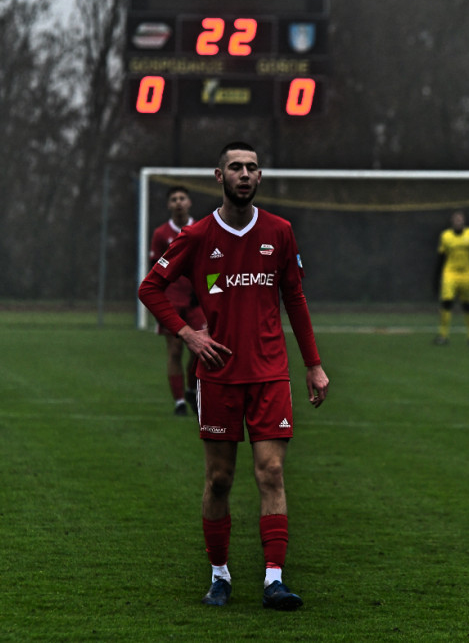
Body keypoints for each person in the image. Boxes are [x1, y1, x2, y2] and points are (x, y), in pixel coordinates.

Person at [139, 141, 330, 610]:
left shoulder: (280, 231)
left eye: (252, 168)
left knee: (271, 472)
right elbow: (150, 287)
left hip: (269, 374)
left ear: (259, 178)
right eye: (235, 168)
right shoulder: (198, 236)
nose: (245, 174)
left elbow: (296, 301)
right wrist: (188, 334)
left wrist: (313, 364)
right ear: (219, 176)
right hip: (218, 377)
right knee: (220, 479)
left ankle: (273, 580)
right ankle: (219, 576)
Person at [149, 185, 207, 416]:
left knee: (199, 349)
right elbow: (155, 268)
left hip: (196, 301)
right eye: (173, 199)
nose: (178, 202)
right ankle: (179, 402)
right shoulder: (161, 234)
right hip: (172, 300)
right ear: (168, 205)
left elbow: (213, 263)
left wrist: (211, 291)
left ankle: (192, 389)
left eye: (182, 198)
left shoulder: (202, 229)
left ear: (189, 202)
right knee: (174, 351)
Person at [434, 210, 469, 345]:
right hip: (450, 273)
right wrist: (436, 278)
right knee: (446, 302)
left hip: (466, 274)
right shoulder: (446, 236)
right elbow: (441, 258)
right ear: (452, 221)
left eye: (460, 219)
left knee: (468, 305)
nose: (458, 222)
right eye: (456, 219)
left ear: (464, 221)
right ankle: (443, 336)